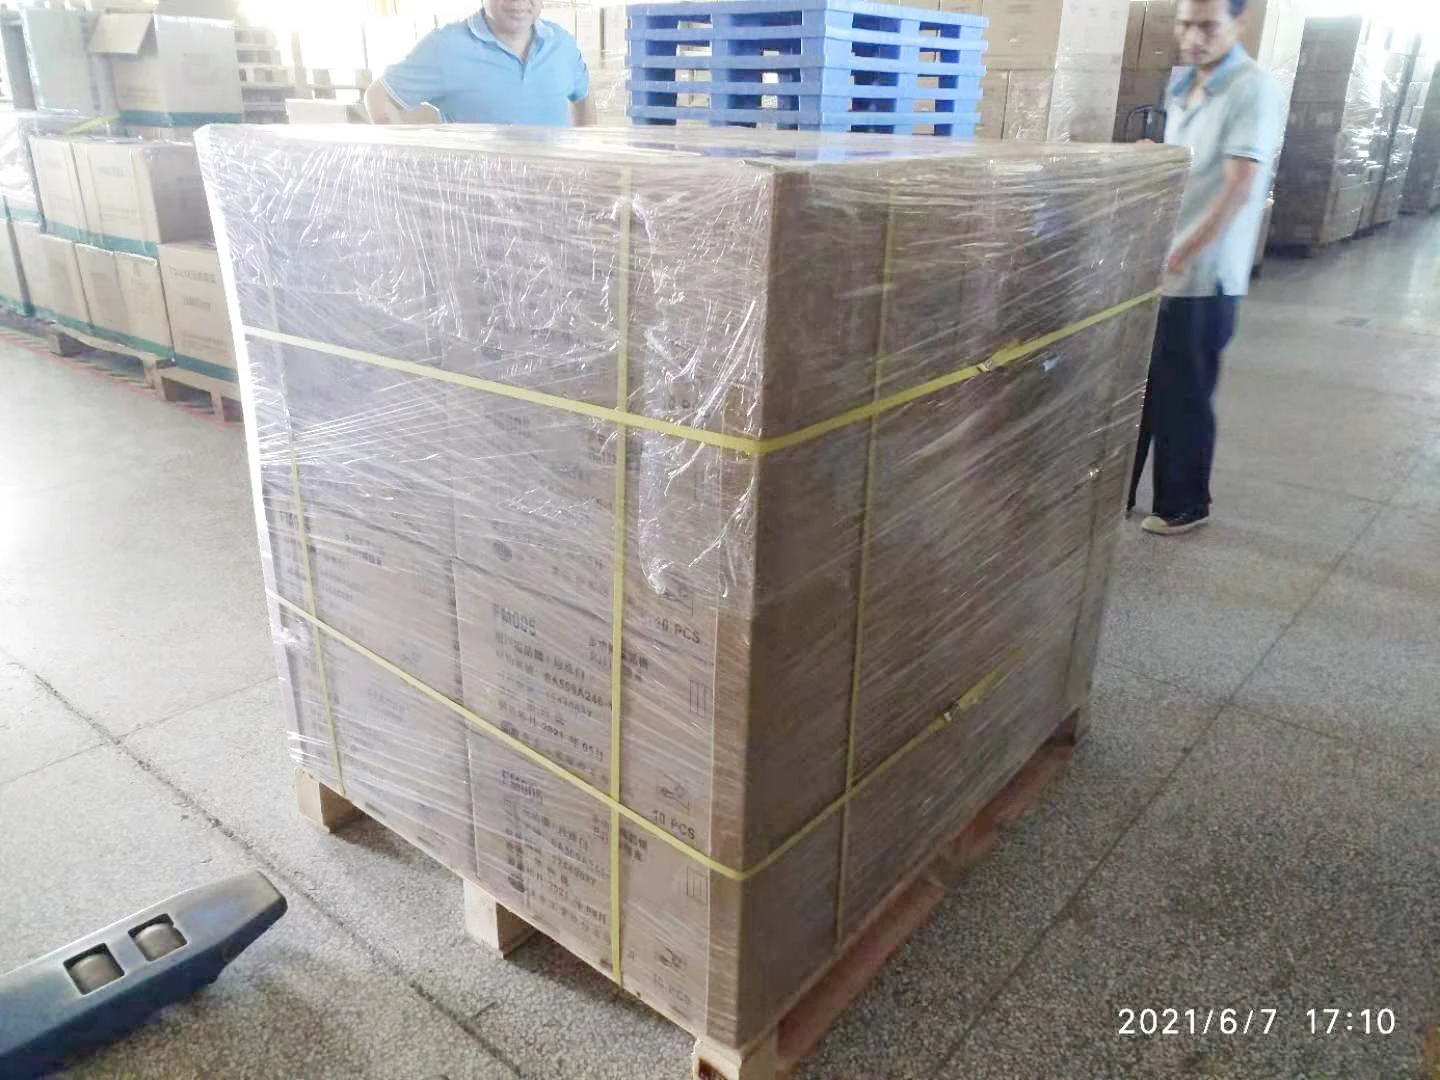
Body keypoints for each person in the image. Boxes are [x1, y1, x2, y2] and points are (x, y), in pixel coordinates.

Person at [1128, 0, 1282, 535]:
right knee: (1145, 385)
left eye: (1207, 26)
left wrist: (1183, 251)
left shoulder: (1250, 88)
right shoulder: (1184, 86)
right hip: (1166, 263)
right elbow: (1189, 167)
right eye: (1185, 25)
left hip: (1205, 272)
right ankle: (1119, 489)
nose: (1193, 37)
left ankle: (1185, 505)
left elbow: (1238, 188)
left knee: (1184, 391)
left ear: (1239, 24)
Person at [364, 0, 597, 127]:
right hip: (477, 199)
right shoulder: (446, 47)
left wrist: (588, 163)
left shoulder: (561, 43)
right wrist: (407, 167)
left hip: (557, 194)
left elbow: (584, 95)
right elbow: (379, 96)